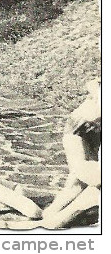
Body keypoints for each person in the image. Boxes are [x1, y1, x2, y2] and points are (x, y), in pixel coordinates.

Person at [42, 79, 101, 229]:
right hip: (78, 131)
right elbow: (92, 84)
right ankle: (54, 215)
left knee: (84, 181)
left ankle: (57, 215)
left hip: (93, 132)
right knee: (82, 179)